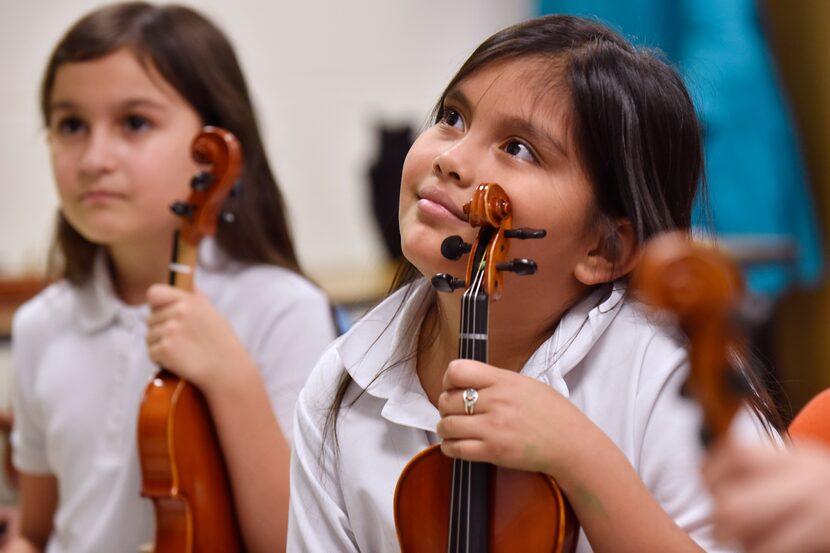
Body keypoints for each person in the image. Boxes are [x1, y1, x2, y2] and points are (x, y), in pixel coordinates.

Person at [287, 14, 782, 553]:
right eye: (452, 117)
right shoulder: (342, 383)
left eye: (518, 148)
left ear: (605, 248)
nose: (451, 159)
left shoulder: (667, 377)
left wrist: (582, 458)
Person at [7, 3, 336, 552]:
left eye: (135, 122)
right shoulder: (42, 324)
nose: (94, 158)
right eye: (71, 125)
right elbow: (38, 531)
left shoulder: (283, 309)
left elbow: (288, 542)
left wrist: (232, 378)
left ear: (215, 148)